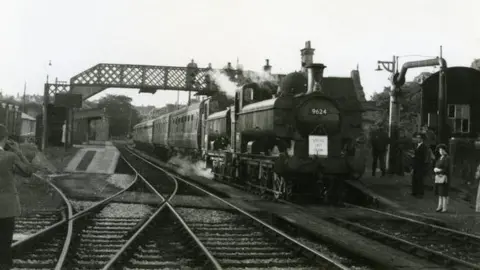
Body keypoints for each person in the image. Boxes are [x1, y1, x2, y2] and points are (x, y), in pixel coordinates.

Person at [0, 124, 34, 269]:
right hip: (6, 207)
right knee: (4, 244)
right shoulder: (10, 156)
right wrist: (19, 152)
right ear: (5, 139)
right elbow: (28, 171)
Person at [433, 144, 450, 212]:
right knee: (440, 193)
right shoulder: (440, 158)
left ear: (444, 150)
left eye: (442, 150)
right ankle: (439, 206)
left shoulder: (447, 158)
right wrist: (435, 169)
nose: (440, 151)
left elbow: (446, 168)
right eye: (440, 150)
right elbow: (437, 165)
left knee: (444, 193)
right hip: (438, 177)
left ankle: (444, 207)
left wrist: (439, 170)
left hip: (444, 177)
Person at [412, 132, 428, 198]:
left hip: (420, 165)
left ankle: (420, 193)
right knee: (414, 178)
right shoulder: (417, 145)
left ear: (422, 139)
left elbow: (423, 157)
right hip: (416, 164)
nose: (417, 139)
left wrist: (415, 156)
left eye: (419, 138)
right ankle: (414, 192)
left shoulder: (424, 146)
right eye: (417, 137)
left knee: (419, 179)